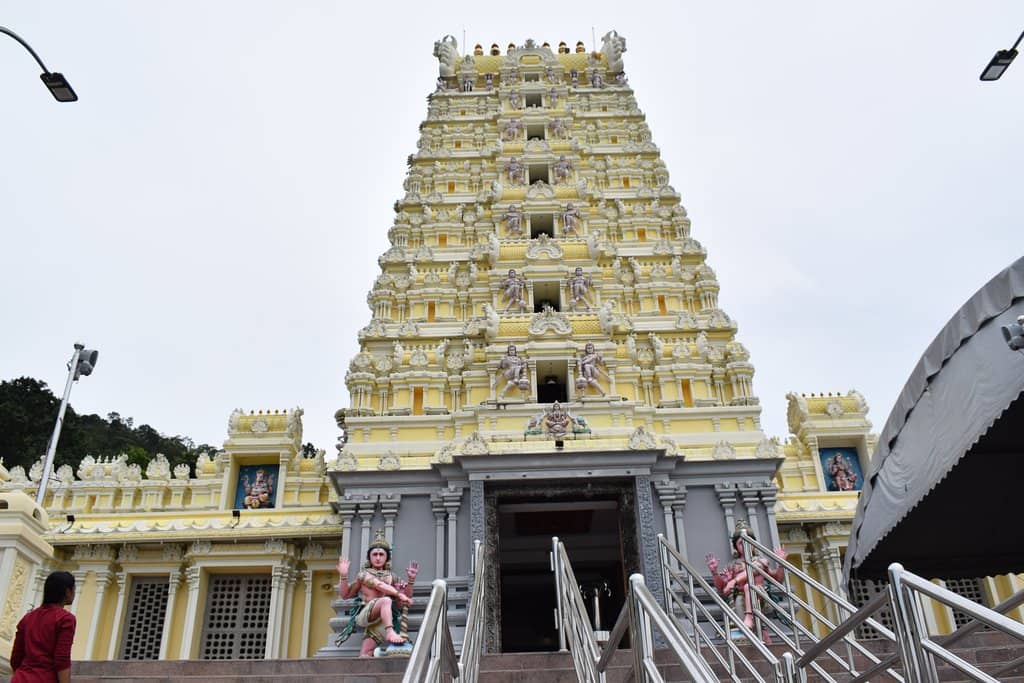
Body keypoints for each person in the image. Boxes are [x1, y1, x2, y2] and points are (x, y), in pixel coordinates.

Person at [336, 532, 418, 657]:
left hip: (382, 619)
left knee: (365, 654)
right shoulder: (363, 574)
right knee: (385, 601)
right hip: (367, 614)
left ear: (387, 558)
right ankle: (390, 631)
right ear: (369, 557)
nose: (378, 558)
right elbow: (346, 595)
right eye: (375, 554)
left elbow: (406, 599)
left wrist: (410, 581)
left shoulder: (392, 576)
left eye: (381, 554)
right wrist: (343, 576)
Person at [10, 571, 77, 683]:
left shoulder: (27, 618)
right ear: (67, 591)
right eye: (73, 589)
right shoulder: (66, 619)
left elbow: (16, 658)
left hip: (21, 678)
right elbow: (61, 659)